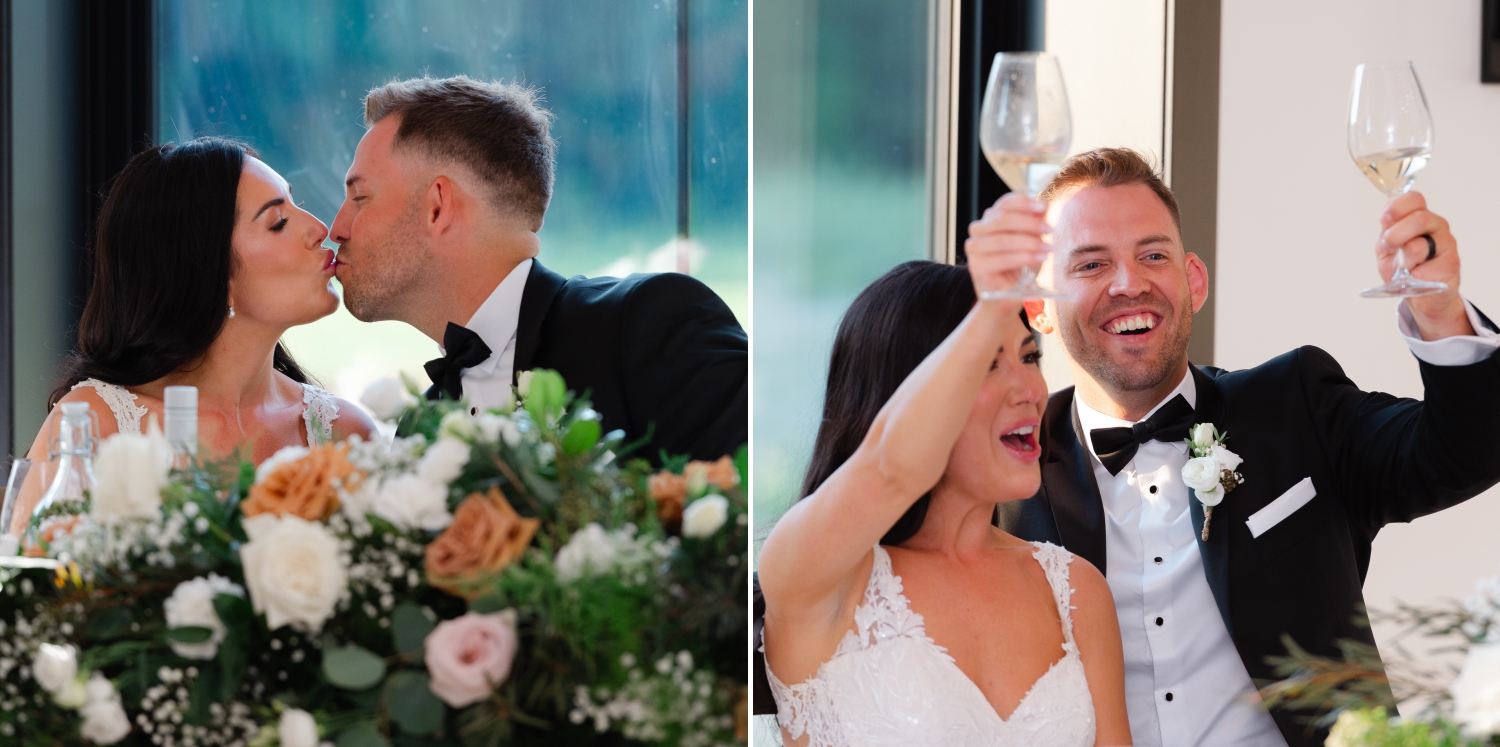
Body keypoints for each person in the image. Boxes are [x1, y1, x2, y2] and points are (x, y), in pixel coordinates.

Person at [988, 148, 1500, 747]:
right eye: (1092, 264)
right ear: (1037, 309)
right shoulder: (1004, 467)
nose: (1129, 283)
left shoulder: (1297, 403)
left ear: (1194, 280)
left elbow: (1468, 450)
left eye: (1153, 255)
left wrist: (1438, 311)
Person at [756, 248, 1133, 743]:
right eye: (985, 364)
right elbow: (889, 469)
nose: (1029, 389)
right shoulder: (817, 578)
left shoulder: (1076, 591)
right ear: (905, 396)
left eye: (1028, 356)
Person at [329, 75, 747, 464]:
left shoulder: (651, 325)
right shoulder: (419, 433)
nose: (337, 228)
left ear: (437, 207)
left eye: (360, 198)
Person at [10, 137, 376, 531]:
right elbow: (34, 587)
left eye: (296, 204)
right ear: (211, 277)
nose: (320, 229)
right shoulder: (93, 427)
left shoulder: (346, 434)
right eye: (278, 223)